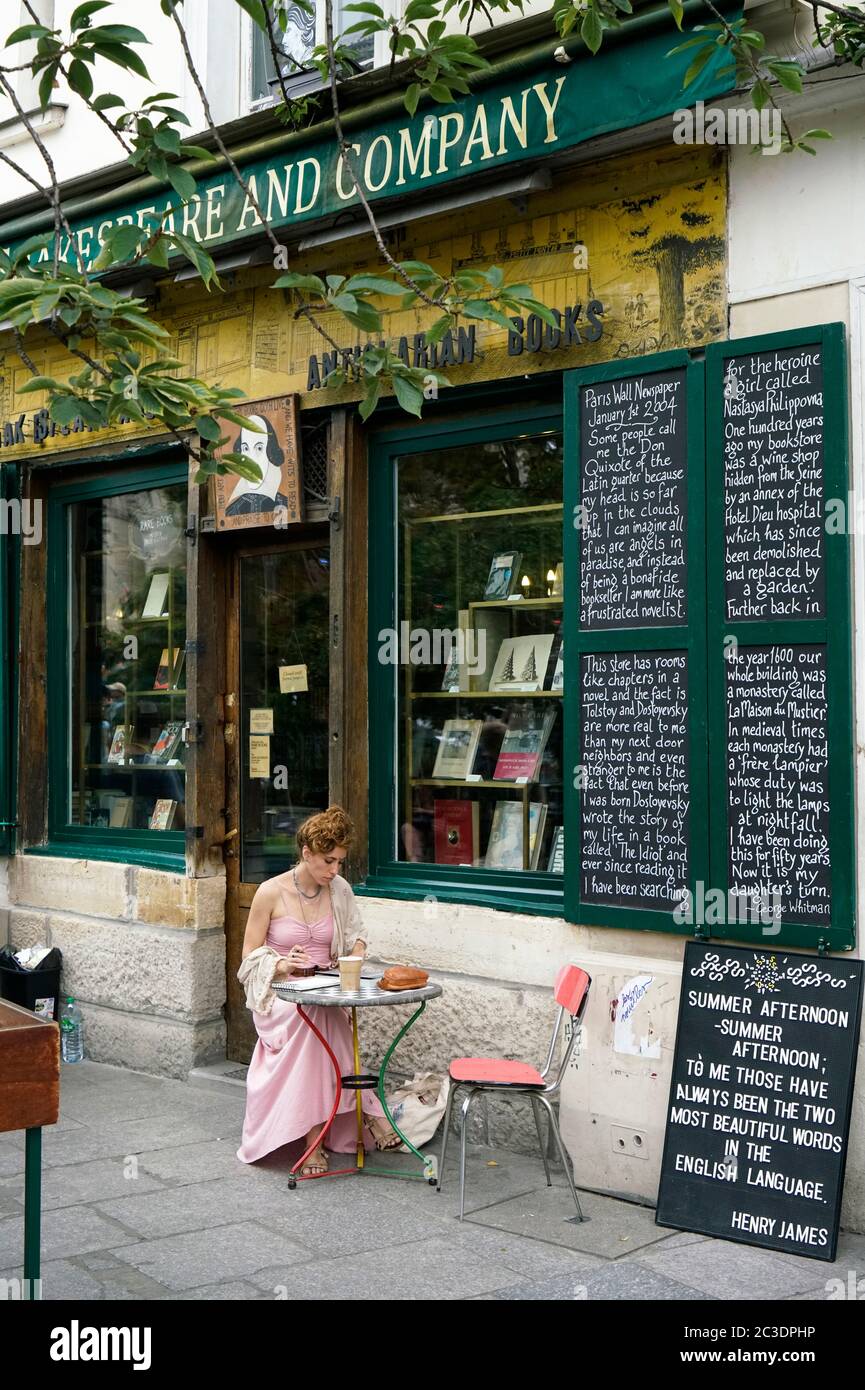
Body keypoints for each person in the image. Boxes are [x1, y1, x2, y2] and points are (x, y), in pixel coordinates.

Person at [236, 805, 400, 1176]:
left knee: (323, 1012)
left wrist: (354, 958)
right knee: (316, 1016)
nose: (335, 870)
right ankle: (356, 1118)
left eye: (340, 861)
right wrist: (280, 964)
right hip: (281, 996)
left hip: (325, 988)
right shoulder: (269, 892)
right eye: (328, 861)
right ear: (306, 853)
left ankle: (323, 1134)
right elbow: (247, 959)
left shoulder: (339, 890)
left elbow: (358, 937)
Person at [224, 415, 289, 517]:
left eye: (259, 448)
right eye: (245, 448)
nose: (251, 460)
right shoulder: (231, 512)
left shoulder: (285, 505)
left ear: (270, 452)